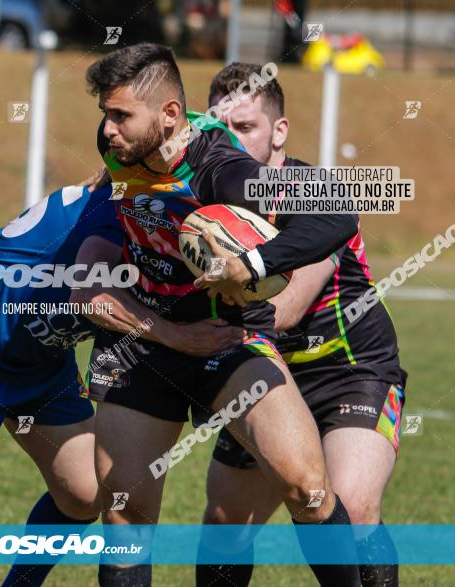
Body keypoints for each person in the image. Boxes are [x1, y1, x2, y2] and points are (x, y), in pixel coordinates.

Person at [80, 43, 361, 586]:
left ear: (169, 116)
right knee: (125, 515)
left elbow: (338, 211)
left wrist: (249, 264)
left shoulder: (223, 170)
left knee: (308, 488)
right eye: (105, 116)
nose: (109, 130)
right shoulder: (117, 146)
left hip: (227, 337)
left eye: (121, 117)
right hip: (142, 343)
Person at [0, 184, 243, 587]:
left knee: (84, 493)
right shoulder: (122, 204)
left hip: (42, 359)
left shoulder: (171, 205)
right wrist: (178, 336)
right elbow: (93, 295)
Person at [196, 62, 406, 587]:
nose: (231, 144)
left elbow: (284, 308)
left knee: (352, 509)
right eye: (221, 130)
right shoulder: (208, 204)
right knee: (225, 524)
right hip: (267, 376)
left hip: (350, 369)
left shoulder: (314, 195)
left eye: (245, 129)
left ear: (279, 131)